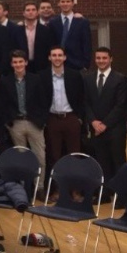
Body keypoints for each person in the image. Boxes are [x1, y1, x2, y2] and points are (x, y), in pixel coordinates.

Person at [0, 50, 47, 193]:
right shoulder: (5, 81)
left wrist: (42, 121)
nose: (18, 64)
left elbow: (44, 101)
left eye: (21, 61)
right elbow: (4, 103)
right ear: (11, 64)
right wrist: (8, 123)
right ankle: (23, 188)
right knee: (21, 158)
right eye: (15, 62)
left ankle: (39, 187)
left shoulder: (36, 79)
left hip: (34, 123)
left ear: (26, 62)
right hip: (16, 124)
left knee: (40, 157)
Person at [40, 46, 84, 183]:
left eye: (60, 55)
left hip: (71, 118)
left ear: (65, 57)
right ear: (49, 58)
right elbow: (40, 100)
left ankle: (75, 190)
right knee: (54, 156)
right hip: (52, 119)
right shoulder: (42, 76)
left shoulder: (75, 75)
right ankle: (57, 189)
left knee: (74, 156)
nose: (57, 58)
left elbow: (82, 97)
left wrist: (80, 119)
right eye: (54, 55)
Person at [84, 47, 127, 183]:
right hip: (96, 129)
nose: (101, 61)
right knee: (101, 163)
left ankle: (121, 195)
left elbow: (120, 105)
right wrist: (93, 122)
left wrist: (105, 124)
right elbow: (85, 103)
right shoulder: (88, 78)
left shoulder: (120, 78)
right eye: (98, 58)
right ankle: (105, 194)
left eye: (104, 58)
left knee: (118, 161)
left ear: (110, 59)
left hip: (115, 129)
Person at [48, 0, 91, 71]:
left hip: (77, 65)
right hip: (57, 64)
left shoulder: (82, 22)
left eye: (68, 1)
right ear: (58, 3)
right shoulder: (53, 23)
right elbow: (51, 43)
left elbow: (87, 44)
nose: (65, 4)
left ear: (72, 3)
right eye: (63, 2)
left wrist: (85, 65)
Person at [18, 1, 54, 73]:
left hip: (41, 67)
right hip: (22, 66)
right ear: (23, 13)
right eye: (28, 10)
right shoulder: (17, 30)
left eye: (33, 10)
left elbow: (49, 48)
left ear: (37, 12)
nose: (31, 12)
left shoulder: (46, 30)